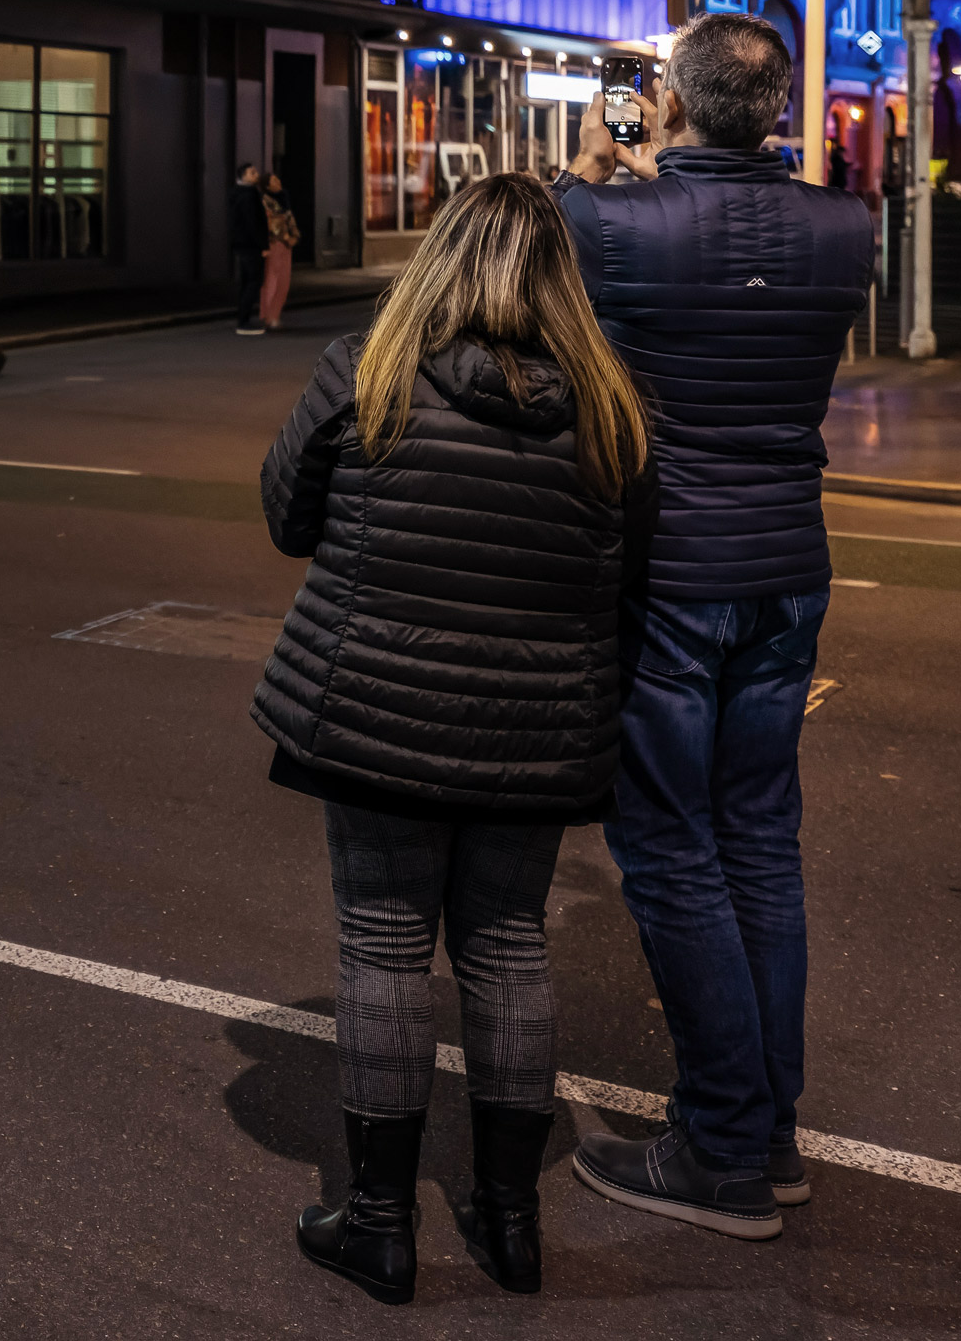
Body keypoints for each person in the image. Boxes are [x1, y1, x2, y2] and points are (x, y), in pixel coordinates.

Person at [252, 171, 651, 1304]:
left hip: (373, 708)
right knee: (507, 944)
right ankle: (510, 1221)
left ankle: (378, 1223)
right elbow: (631, 573)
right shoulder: (611, 400)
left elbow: (287, 516)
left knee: (381, 945)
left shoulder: (368, 368)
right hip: (536, 724)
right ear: (559, 273)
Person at [553, 11, 875, 1240]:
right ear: (779, 112)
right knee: (759, 843)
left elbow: (539, 242)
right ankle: (769, 1131)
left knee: (672, 849)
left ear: (669, 109)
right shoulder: (845, 225)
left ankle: (723, 1149)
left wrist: (598, 156)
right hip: (791, 564)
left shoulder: (609, 219)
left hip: (668, 568)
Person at [228, 163, 269, 334]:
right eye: (252, 173)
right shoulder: (249, 196)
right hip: (251, 246)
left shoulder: (236, 193)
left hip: (241, 244)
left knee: (246, 282)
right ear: (243, 176)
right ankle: (243, 322)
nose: (256, 175)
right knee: (254, 281)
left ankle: (242, 318)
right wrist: (263, 245)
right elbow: (254, 223)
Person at [258, 171, 301, 331]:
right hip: (274, 242)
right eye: (274, 180)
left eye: (277, 179)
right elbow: (269, 222)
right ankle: (268, 316)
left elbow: (289, 218)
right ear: (267, 185)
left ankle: (275, 315)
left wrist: (293, 237)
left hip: (286, 242)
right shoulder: (265, 200)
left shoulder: (284, 198)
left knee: (284, 279)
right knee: (272, 279)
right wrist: (283, 235)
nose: (278, 182)